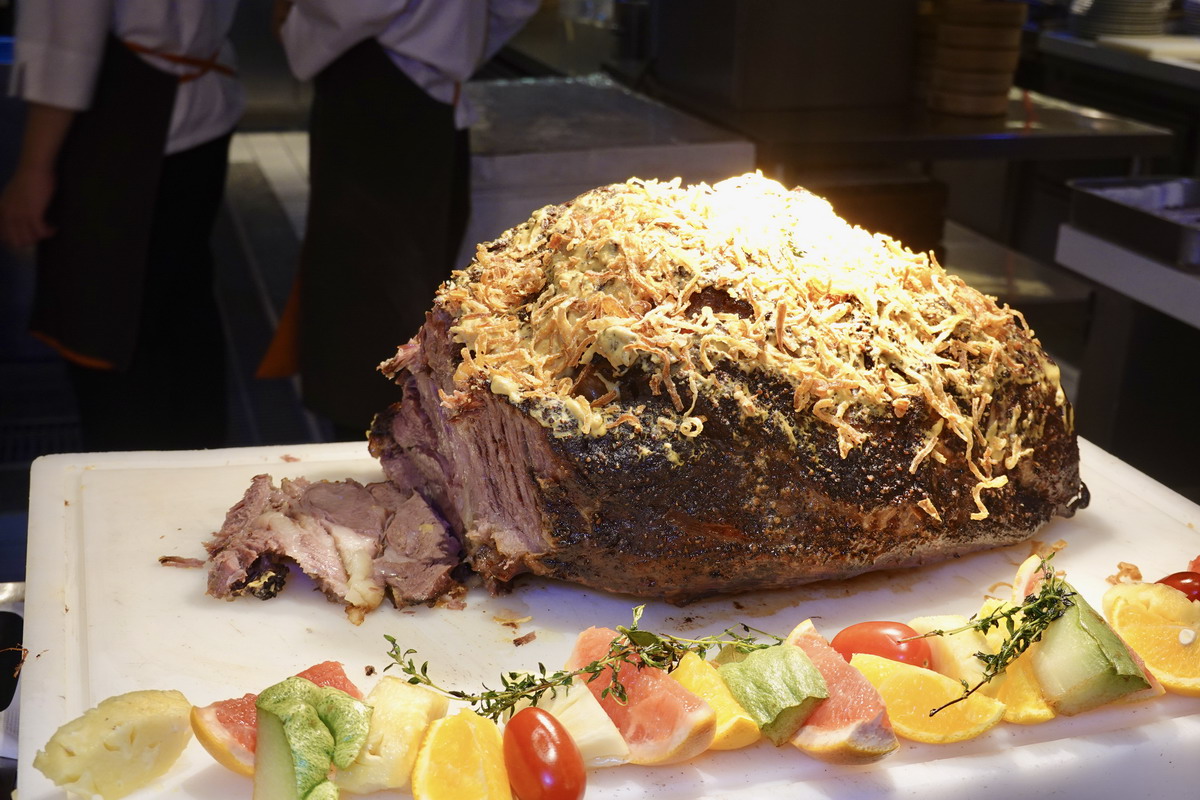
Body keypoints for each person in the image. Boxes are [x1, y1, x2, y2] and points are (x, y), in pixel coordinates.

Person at [272, 0, 540, 441]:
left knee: (370, 306)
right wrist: (458, 40)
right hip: (424, 90)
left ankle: (381, 466)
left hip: (377, 92)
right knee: (406, 295)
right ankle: (412, 453)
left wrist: (296, 19)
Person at [0, 1, 243, 452]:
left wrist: (34, 167)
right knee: (179, 309)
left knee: (112, 330)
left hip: (129, 117)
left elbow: (66, 36)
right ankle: (203, 470)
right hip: (199, 106)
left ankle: (136, 491)